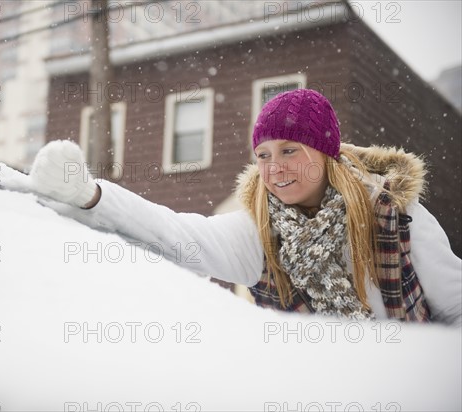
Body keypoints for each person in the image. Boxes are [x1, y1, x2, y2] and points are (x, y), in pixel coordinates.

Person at [29, 88, 461, 326]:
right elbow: (177, 233)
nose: (274, 168)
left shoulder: (396, 218)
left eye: (289, 150)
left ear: (326, 153)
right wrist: (91, 196)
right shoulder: (259, 234)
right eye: (263, 155)